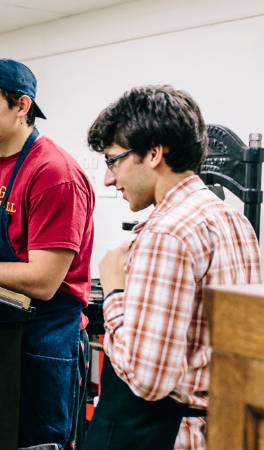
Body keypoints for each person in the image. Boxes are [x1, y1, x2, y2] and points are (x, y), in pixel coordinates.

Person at [83, 85, 262, 450]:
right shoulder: (232, 218)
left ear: (152, 153)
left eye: (114, 160)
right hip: (225, 430)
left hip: (167, 436)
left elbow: (148, 380)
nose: (108, 178)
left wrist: (115, 291)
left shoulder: (166, 233)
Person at [0, 58, 95, 449]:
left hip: (44, 337)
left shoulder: (54, 174)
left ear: (22, 105)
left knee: (34, 443)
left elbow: (42, 281)